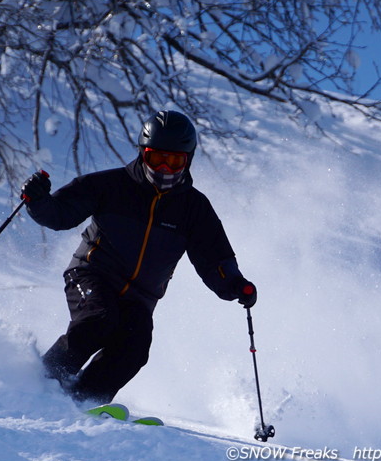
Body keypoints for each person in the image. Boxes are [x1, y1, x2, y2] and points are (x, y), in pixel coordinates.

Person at [21, 110, 257, 404]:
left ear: (188, 159)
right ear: (142, 153)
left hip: (140, 296)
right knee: (99, 320)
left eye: (174, 161)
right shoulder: (111, 186)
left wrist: (235, 284)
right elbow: (59, 214)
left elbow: (214, 258)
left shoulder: (194, 209)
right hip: (91, 273)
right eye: (156, 158)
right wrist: (38, 201)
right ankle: (40, 382)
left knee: (135, 346)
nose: (164, 168)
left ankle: (84, 401)